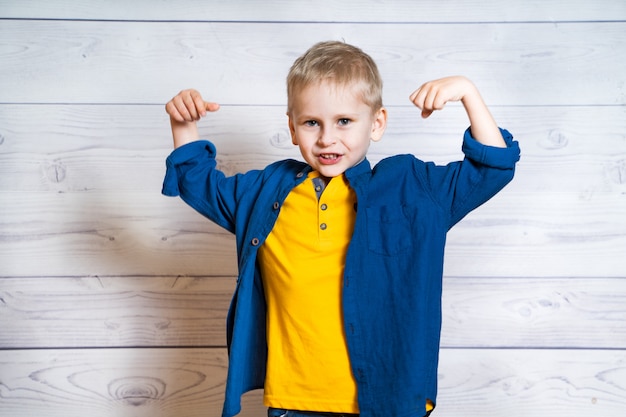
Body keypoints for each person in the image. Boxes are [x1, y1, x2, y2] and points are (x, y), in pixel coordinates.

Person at [162, 41, 520, 417]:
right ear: (293, 127)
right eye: (312, 122)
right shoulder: (266, 190)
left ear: (376, 123)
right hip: (293, 403)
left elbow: (492, 169)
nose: (327, 138)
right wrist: (184, 124)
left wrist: (467, 92)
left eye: (344, 121)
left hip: (386, 401)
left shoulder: (411, 188)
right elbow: (198, 182)